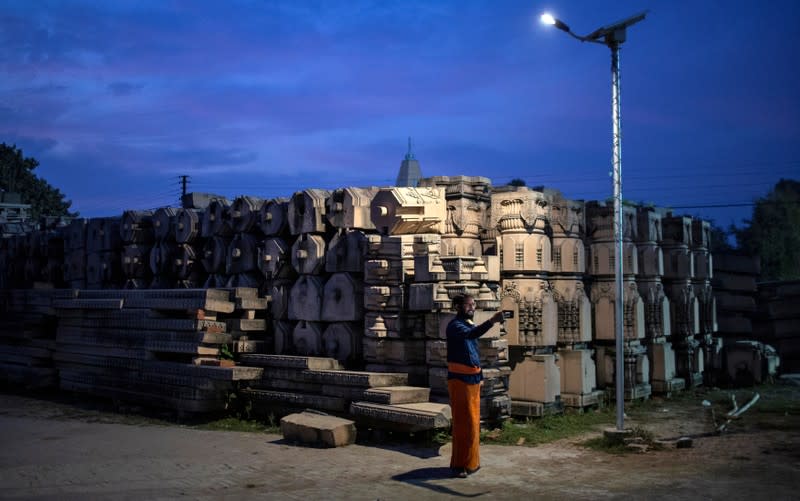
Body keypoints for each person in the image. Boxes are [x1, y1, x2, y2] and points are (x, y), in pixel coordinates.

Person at [446, 294, 504, 478]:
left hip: (472, 380)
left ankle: (472, 462)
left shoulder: (468, 324)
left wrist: (479, 375)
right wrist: (492, 321)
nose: (473, 307)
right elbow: (472, 334)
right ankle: (460, 465)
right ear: (458, 307)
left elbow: (473, 351)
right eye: (469, 305)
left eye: (474, 304)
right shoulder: (455, 326)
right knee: (463, 424)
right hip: (460, 380)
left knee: (473, 424)